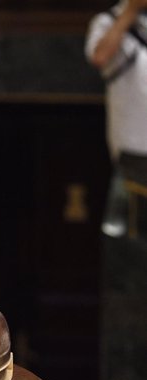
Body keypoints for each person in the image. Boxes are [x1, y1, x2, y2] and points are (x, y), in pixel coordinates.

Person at [85, 0, 147, 237]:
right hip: (134, 148)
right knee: (133, 234)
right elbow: (100, 57)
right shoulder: (108, 21)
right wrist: (130, 11)